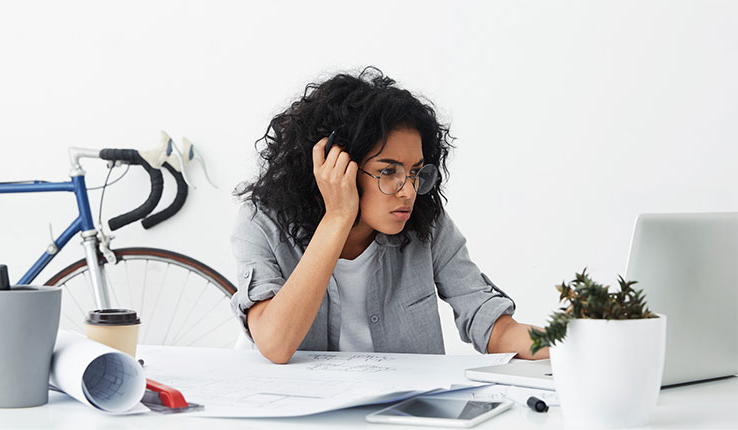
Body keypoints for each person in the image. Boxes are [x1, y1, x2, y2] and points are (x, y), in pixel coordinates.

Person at [231, 67, 548, 364]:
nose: (408, 191)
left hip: (397, 412)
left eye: (414, 172)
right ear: (337, 166)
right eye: (388, 171)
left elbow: (488, 320)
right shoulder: (263, 223)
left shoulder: (426, 223)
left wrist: (566, 343)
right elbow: (276, 344)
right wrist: (338, 217)